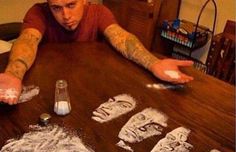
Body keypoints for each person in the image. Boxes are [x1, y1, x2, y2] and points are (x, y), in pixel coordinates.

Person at [0, 0, 193, 105]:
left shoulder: (99, 12)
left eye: (71, 5)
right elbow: (27, 40)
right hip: (51, 91)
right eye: (56, 8)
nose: (66, 16)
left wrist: (154, 63)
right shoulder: (38, 12)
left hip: (89, 89)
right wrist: (13, 74)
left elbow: (122, 38)